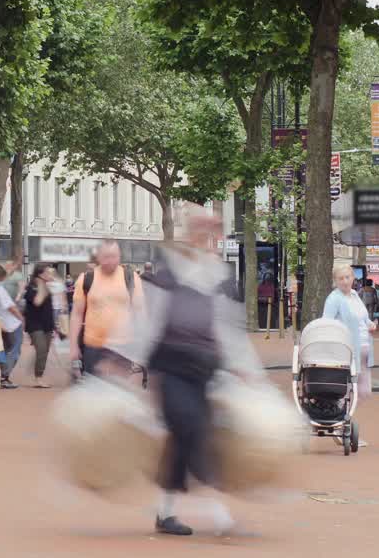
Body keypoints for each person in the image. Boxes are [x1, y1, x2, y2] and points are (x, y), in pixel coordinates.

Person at [110, 211, 265, 537]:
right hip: (170, 370)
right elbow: (146, 322)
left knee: (181, 439)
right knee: (194, 430)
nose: (206, 236)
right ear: (189, 232)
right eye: (200, 230)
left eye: (210, 231)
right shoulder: (169, 273)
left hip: (203, 371)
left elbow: (228, 327)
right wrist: (122, 359)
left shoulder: (217, 275)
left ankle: (165, 514)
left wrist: (245, 367)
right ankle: (219, 515)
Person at [69, 239, 144, 377]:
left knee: (119, 394)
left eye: (114, 256)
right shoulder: (86, 279)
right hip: (93, 346)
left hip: (123, 347)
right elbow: (76, 314)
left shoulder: (131, 278)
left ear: (120, 255)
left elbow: (140, 313)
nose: (111, 261)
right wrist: (73, 345)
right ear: (98, 257)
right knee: (92, 392)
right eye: (106, 257)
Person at [323, 265, 376, 401]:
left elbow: (363, 317)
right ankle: (341, 415)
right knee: (348, 391)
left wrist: (370, 324)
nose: (345, 281)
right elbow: (326, 323)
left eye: (347, 277)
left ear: (353, 278)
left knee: (364, 392)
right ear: (335, 280)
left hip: (364, 348)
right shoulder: (334, 298)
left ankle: (345, 414)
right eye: (341, 278)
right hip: (348, 349)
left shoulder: (355, 295)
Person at [23, 263, 59, 388]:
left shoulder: (48, 287)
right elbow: (37, 302)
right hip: (35, 324)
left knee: (45, 351)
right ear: (40, 274)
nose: (50, 275)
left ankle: (38, 369)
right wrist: (40, 285)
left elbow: (49, 308)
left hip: (47, 324)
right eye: (48, 273)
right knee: (42, 349)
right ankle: (39, 377)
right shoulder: (31, 287)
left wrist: (54, 326)